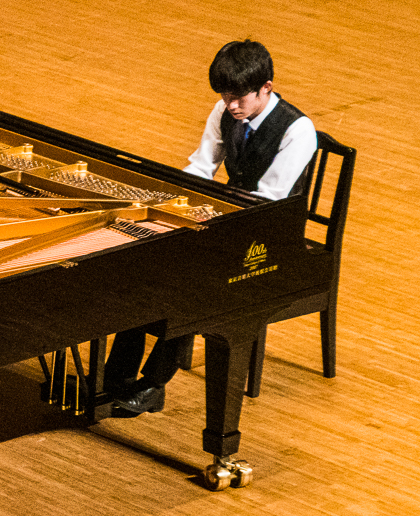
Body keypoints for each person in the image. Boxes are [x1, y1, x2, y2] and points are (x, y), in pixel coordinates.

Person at [107, 39, 317, 416]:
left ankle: (154, 384)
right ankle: (116, 378)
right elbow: (202, 168)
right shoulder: (224, 110)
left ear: (266, 87)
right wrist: (171, 205)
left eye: (240, 97)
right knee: (145, 266)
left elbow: (268, 199)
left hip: (270, 234)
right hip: (229, 219)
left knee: (194, 287)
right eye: (225, 95)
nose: (231, 105)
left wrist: (214, 226)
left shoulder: (298, 131)